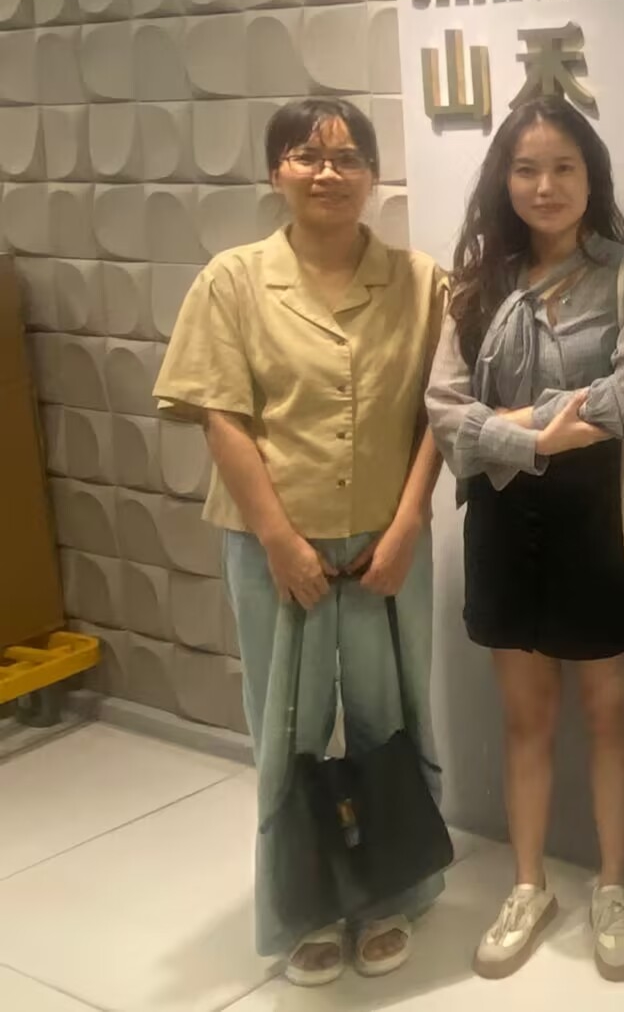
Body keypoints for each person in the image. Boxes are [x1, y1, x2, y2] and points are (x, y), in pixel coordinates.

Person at [154, 98, 447, 987]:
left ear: (373, 174)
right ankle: (305, 906)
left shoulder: (421, 282)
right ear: (275, 171)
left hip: (387, 544)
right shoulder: (233, 281)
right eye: (306, 156)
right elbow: (222, 416)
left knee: (390, 714)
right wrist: (279, 539)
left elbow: (441, 413)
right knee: (287, 727)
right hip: (274, 545)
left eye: (349, 157)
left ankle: (391, 891)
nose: (329, 173)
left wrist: (408, 524)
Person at [426, 94, 624, 981]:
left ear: (592, 176)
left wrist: (509, 427)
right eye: (526, 169)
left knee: (609, 715)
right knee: (524, 718)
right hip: (503, 522)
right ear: (504, 181)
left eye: (564, 167)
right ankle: (529, 886)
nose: (545, 185)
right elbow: (444, 411)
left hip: (600, 521)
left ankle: (613, 886)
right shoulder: (475, 286)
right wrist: (542, 435)